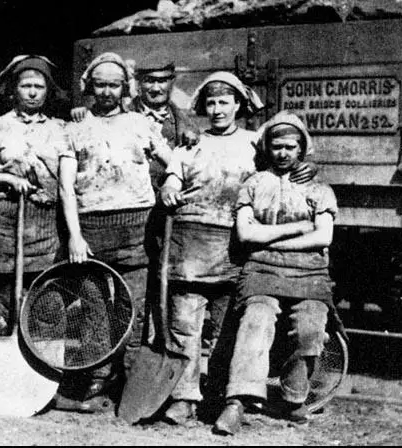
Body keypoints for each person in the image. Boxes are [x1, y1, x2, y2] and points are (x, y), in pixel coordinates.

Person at [159, 72, 318, 425]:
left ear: (238, 105)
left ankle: (216, 395)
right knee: (185, 325)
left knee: (225, 329)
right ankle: (183, 397)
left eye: (224, 102)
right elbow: (172, 176)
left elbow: (285, 160)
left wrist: (308, 168)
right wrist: (168, 189)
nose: (217, 110)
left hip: (235, 248)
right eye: (211, 103)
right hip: (191, 247)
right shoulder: (190, 143)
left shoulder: (253, 143)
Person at [57, 52, 173, 412]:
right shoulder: (73, 128)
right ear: (89, 86)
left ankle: (127, 382)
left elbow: (174, 161)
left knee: (133, 308)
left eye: (114, 84)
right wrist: (75, 235)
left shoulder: (141, 124)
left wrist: (172, 181)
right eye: (100, 84)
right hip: (92, 227)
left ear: (125, 87)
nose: (107, 91)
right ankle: (96, 377)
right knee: (94, 307)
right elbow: (65, 187)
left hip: (136, 227)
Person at [213, 111, 339, 435]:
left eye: (290, 147)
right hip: (261, 270)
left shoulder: (320, 189)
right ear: (267, 148)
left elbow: (323, 237)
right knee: (256, 322)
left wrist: (269, 237)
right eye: (277, 146)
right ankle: (237, 401)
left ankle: (293, 395)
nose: (283, 153)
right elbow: (245, 234)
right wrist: (299, 230)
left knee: (310, 329)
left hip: (309, 274)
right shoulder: (254, 184)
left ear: (301, 149)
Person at [0, 55, 69, 336]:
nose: (33, 92)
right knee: (9, 304)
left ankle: (38, 366)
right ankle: (6, 365)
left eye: (39, 86)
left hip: (48, 225)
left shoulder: (60, 128)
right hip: (9, 222)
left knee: (46, 303)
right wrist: (9, 178)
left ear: (49, 90)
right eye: (26, 86)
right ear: (13, 89)